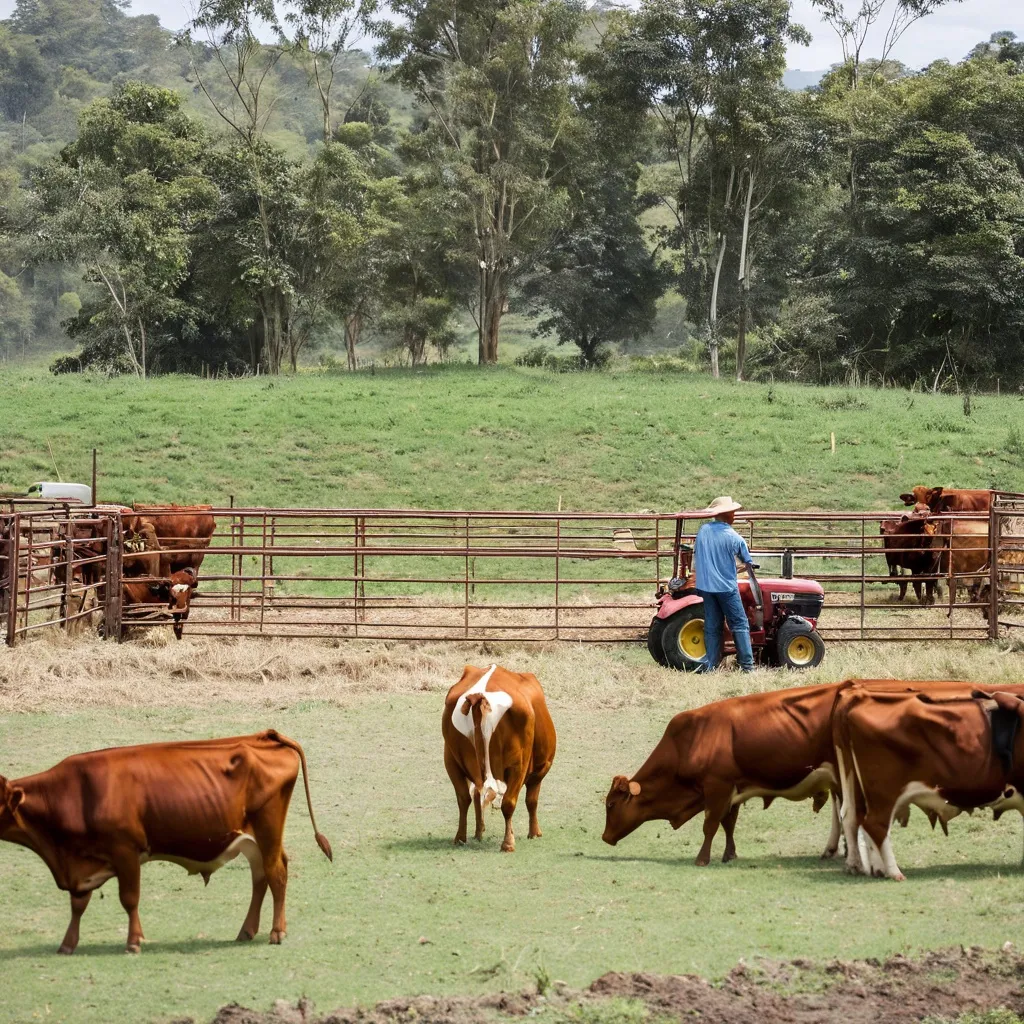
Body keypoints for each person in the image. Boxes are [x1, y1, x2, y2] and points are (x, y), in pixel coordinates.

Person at [693, 495, 755, 673]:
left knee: (712, 626)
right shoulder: (734, 537)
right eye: (733, 512)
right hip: (726, 588)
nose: (734, 515)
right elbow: (747, 561)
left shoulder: (703, 531)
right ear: (728, 514)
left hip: (706, 587)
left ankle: (711, 665)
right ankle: (747, 666)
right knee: (740, 624)